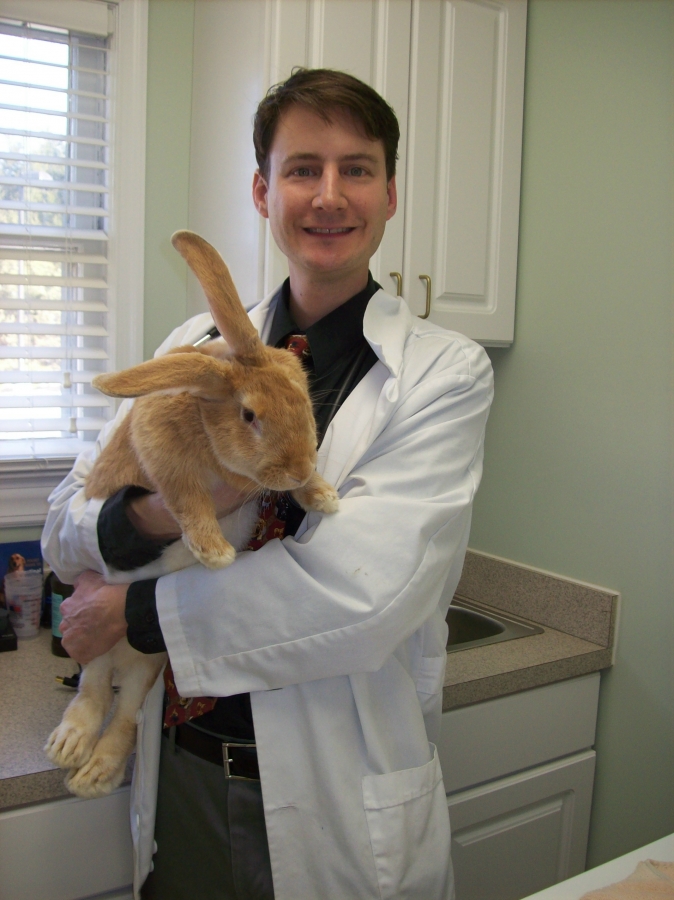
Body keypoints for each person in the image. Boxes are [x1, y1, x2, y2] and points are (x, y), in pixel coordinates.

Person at [42, 68, 494, 900]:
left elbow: (362, 598)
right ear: (261, 190)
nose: (329, 196)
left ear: (390, 193)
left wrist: (128, 611)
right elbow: (66, 523)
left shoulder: (441, 376)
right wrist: (161, 510)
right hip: (177, 767)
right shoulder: (194, 343)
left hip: (333, 798)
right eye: (302, 169)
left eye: (356, 168)